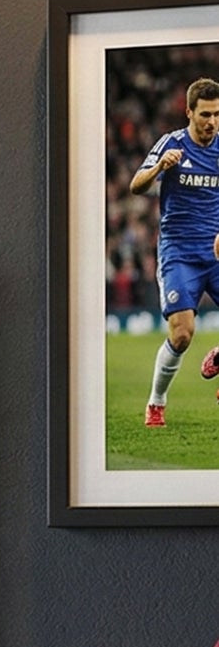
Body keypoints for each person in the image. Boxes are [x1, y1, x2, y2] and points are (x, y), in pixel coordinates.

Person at [129, 78, 219, 425]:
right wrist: (160, 167)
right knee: (181, 335)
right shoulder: (172, 144)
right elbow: (137, 186)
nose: (212, 122)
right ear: (189, 112)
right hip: (179, 252)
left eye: (217, 115)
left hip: (215, 251)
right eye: (206, 114)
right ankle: (156, 402)